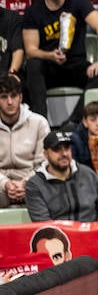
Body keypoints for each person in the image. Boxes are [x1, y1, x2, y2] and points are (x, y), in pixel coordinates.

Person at [22, 0, 98, 124]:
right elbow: (30, 50)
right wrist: (49, 55)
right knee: (33, 65)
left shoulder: (77, 2)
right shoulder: (33, 11)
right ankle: (40, 123)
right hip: (49, 67)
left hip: (75, 65)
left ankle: (74, 122)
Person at [25, 130, 98, 222]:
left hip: (91, 232)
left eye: (67, 148)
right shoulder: (34, 185)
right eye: (57, 149)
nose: (64, 154)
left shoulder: (87, 173)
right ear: (46, 154)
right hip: (59, 235)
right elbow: (43, 223)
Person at [0, 72, 48, 210]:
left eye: (13, 96)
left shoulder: (39, 123)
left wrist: (25, 183)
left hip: (32, 182)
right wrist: (5, 184)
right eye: (4, 97)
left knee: (48, 192)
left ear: (20, 97)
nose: (10, 102)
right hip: (1, 185)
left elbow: (43, 163)